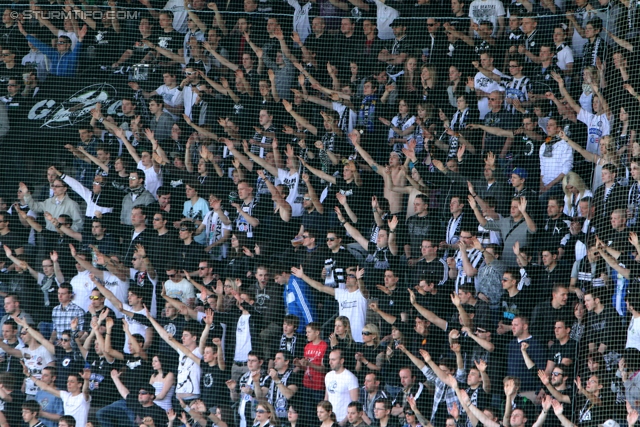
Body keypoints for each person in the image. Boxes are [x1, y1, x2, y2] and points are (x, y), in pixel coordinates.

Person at [324, 348, 360, 424]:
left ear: (342, 361)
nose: (330, 362)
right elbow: (326, 398)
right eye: (330, 359)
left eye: (333, 360)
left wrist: (344, 422)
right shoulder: (328, 375)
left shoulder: (350, 377)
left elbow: (355, 403)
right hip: (330, 419)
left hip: (344, 420)